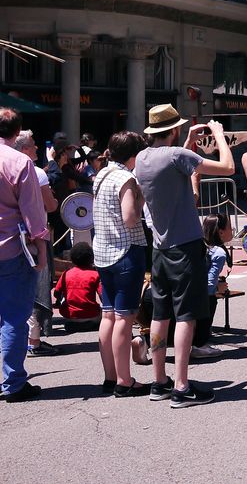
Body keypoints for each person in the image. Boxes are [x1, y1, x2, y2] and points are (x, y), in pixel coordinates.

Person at [134, 104, 235, 407]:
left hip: (161, 246)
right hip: (186, 246)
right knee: (187, 316)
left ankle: (159, 381)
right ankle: (181, 385)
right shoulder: (178, 156)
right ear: (174, 130)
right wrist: (219, 135)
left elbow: (173, 168)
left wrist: (185, 143)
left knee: (160, 315)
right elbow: (227, 167)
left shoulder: (142, 158)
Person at [93, 130, 150, 397]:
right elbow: (129, 217)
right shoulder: (125, 178)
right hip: (126, 250)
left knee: (107, 315)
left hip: (103, 252)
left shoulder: (102, 174)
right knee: (124, 318)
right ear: (133, 155)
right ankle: (125, 381)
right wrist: (140, 200)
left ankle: (110, 376)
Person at [0, 107, 49, 402]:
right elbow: (34, 214)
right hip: (11, 248)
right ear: (17, 132)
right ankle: (13, 382)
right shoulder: (19, 162)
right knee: (14, 318)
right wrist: (41, 249)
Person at [13, 130, 59, 357]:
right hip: (33, 237)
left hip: (9, 236)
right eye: (33, 144)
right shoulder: (36, 172)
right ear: (23, 148)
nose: (37, 148)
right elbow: (50, 206)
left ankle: (26, 339)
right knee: (35, 288)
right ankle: (33, 339)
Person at [192, 214, 231, 359]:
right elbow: (209, 285)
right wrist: (217, 289)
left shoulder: (200, 245)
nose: (232, 230)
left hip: (186, 291)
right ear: (220, 232)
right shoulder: (219, 253)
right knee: (211, 299)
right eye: (229, 228)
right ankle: (200, 344)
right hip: (201, 296)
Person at [54, 242, 101, 330]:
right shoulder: (95, 275)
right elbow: (102, 295)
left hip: (69, 315)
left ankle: (75, 324)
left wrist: (61, 301)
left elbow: (56, 293)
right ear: (91, 258)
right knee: (104, 314)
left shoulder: (66, 273)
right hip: (90, 314)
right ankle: (91, 325)